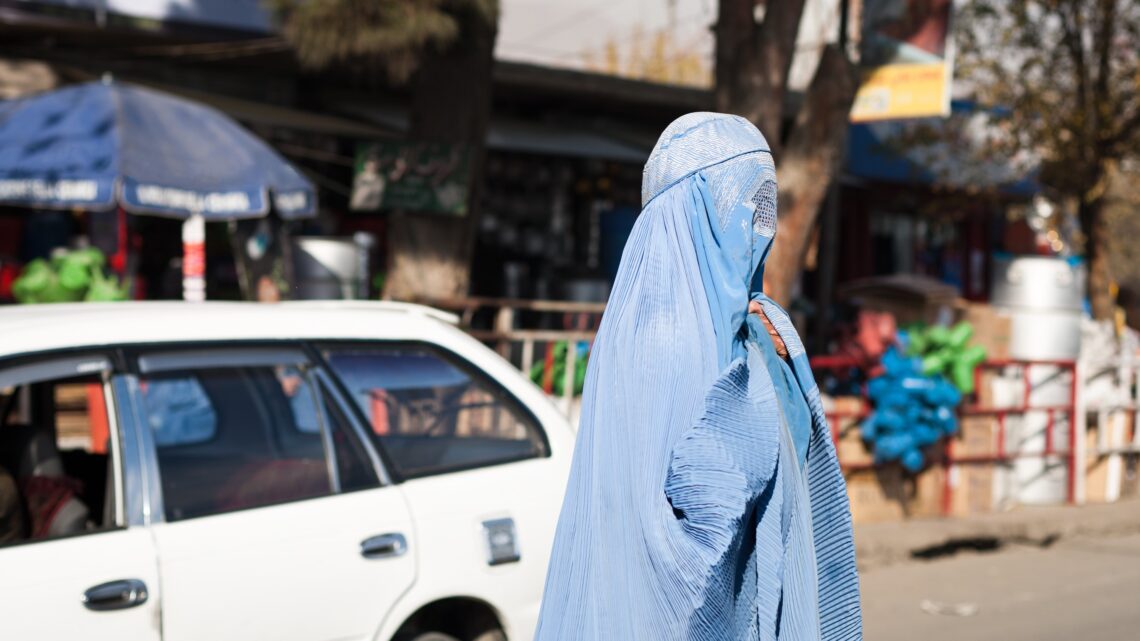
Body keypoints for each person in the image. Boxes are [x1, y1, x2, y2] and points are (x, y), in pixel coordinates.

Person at [534, 113, 861, 640]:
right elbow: (677, 540)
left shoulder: (756, 330)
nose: (762, 227)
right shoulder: (662, 343)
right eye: (745, 204)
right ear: (695, 211)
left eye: (767, 206)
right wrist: (760, 390)